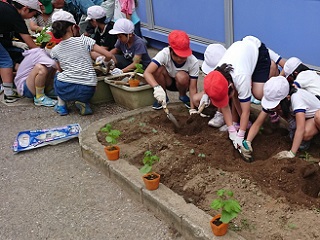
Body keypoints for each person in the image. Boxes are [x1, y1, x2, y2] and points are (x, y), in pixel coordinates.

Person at [204, 35, 274, 151]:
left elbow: (246, 111)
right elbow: (224, 105)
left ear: (229, 86)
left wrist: (240, 136)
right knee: (236, 95)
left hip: (258, 52)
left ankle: (274, 79)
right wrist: (232, 132)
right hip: (240, 54)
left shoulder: (241, 78)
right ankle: (244, 124)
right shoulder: (216, 74)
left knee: (258, 93)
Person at [50, 10, 115, 116]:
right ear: (73, 27)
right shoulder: (84, 40)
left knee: (58, 74)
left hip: (65, 88)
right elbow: (108, 55)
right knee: (85, 82)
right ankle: (83, 102)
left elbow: (60, 69)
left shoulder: (55, 50)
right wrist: (105, 63)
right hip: (87, 89)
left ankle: (61, 106)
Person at [241, 76, 320, 161]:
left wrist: (291, 153)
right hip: (305, 118)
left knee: (305, 133)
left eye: (275, 104)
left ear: (286, 98)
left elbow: (300, 129)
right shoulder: (277, 98)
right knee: (297, 140)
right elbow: (258, 123)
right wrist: (247, 141)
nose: (273, 107)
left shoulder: (297, 99)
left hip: (315, 115)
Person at [144, 30, 198, 110]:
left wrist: (193, 108)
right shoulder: (164, 54)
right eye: (177, 55)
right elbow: (147, 72)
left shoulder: (193, 61)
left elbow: (193, 87)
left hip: (183, 84)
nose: (179, 59)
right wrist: (157, 88)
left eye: (183, 56)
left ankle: (182, 96)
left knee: (181, 76)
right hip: (167, 80)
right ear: (170, 49)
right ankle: (163, 97)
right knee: (158, 69)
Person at [0, 0, 41, 102]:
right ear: (25, 9)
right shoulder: (14, 14)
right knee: (5, 61)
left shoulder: (7, 9)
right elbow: (29, 41)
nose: (32, 17)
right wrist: (41, 54)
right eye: (33, 14)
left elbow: (20, 34)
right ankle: (9, 94)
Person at [191, 43, 226, 117]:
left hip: (227, 97)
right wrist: (205, 94)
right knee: (196, 99)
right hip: (215, 96)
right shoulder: (208, 74)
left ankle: (224, 115)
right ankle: (212, 112)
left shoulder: (229, 72)